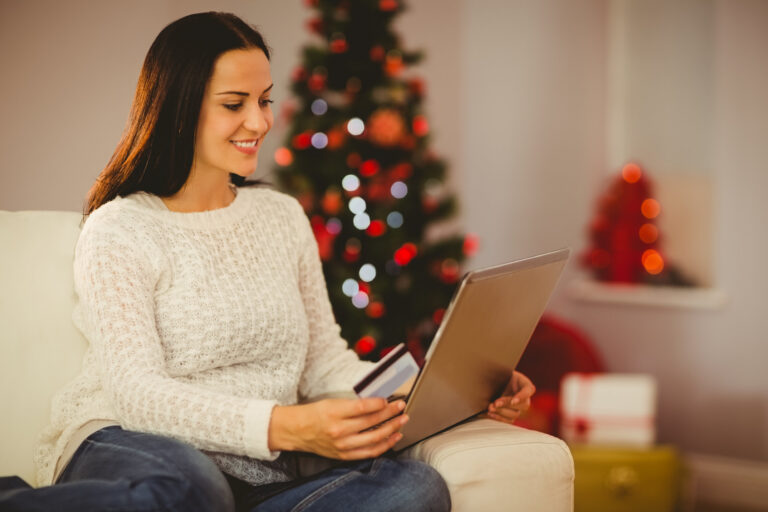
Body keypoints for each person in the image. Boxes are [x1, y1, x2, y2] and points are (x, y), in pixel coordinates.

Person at [0, 11, 535, 512]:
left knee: (415, 488)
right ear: (178, 107)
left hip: (260, 471)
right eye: (235, 104)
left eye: (265, 100)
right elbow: (138, 394)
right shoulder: (120, 228)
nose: (259, 121)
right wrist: (285, 427)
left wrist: (454, 388)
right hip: (134, 444)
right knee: (191, 483)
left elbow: (327, 364)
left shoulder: (280, 216)